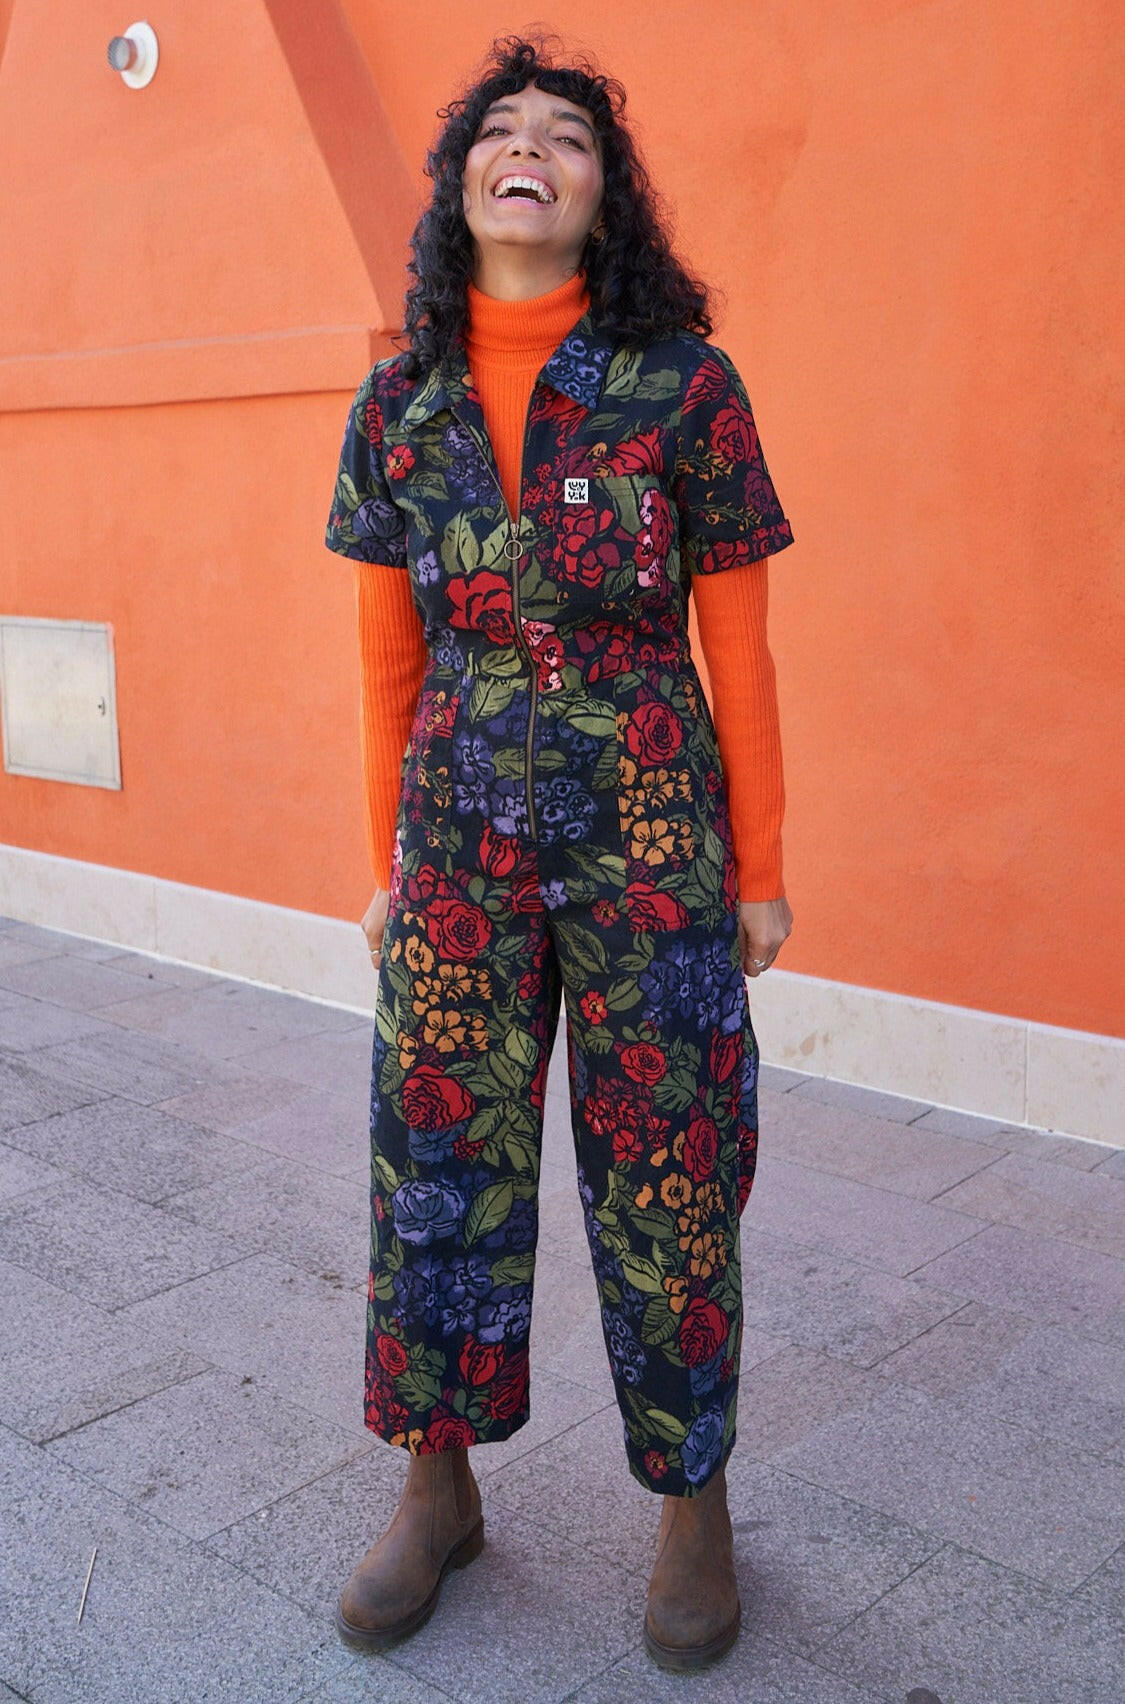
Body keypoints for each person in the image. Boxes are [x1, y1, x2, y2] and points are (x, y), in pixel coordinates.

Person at [323, 33, 795, 1674]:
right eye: (500, 131)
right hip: (454, 838)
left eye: (569, 136)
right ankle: (436, 1488)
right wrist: (386, 859)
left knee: (671, 1170)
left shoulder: (684, 383)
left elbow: (737, 643)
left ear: (607, 194)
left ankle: (692, 1501)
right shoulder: (401, 401)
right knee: (432, 1165)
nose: (532, 148)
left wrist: (756, 865)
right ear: (461, 184)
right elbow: (388, 657)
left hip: (652, 834)